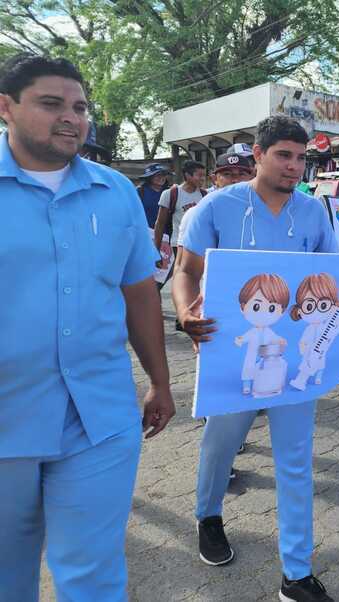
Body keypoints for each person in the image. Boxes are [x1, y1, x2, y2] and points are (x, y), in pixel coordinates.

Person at [0, 53, 175, 601]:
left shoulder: (116, 191)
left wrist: (160, 380)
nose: (70, 118)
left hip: (99, 416)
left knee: (93, 575)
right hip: (7, 417)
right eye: (51, 104)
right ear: (6, 107)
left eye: (79, 107)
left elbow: (138, 292)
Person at [173, 115, 335, 602]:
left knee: (295, 460)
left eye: (301, 158)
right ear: (259, 155)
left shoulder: (313, 213)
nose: (294, 166)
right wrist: (185, 312)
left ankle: (296, 574)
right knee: (221, 444)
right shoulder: (217, 207)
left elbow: (332, 276)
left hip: (292, 359)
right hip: (231, 351)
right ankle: (208, 516)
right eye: (284, 155)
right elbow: (185, 270)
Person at [152, 159, 207, 289]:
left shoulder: (204, 195)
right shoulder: (171, 194)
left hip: (200, 244)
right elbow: (160, 223)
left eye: (204, 175)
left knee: (196, 278)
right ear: (187, 175)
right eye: (199, 175)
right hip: (179, 244)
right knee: (183, 277)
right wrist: (156, 249)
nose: (202, 179)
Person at [137, 162, 171, 228]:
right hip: (145, 230)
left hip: (166, 232)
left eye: (163, 175)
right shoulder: (140, 191)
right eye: (158, 175)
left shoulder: (170, 192)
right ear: (149, 177)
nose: (161, 178)